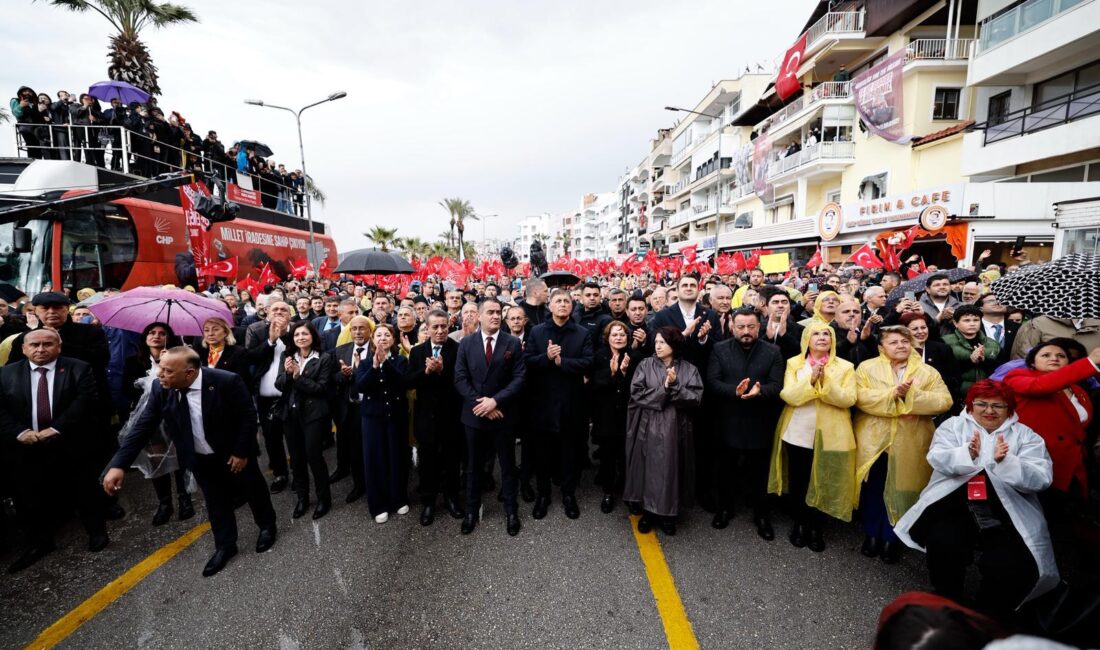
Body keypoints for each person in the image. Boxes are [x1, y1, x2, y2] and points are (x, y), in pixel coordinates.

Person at [105, 347, 277, 577]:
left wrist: (241, 452)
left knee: (253, 489)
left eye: (167, 370)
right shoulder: (161, 388)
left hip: (234, 453)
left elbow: (247, 415)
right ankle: (225, 546)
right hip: (198, 456)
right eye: (160, 368)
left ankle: (266, 526)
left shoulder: (226, 381)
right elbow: (142, 427)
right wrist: (118, 464)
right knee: (216, 501)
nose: (159, 375)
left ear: (189, 373)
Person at [894, 380, 1058, 618]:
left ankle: (986, 611)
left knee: (1006, 563)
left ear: (1009, 409)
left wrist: (1008, 463)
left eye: (998, 406)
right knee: (943, 542)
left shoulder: (1025, 436)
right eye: (982, 404)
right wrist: (967, 454)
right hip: (956, 504)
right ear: (970, 405)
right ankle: (947, 597)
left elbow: (1042, 478)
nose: (989, 411)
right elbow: (937, 458)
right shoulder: (954, 426)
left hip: (1005, 510)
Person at [0, 329, 108, 573]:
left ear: (59, 347)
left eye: (48, 344)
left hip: (70, 443)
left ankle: (97, 533)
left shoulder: (78, 368)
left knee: (84, 490)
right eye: (35, 345)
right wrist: (20, 433)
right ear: (25, 349)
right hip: (26, 446)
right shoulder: (6, 374)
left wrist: (57, 428)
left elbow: (86, 401)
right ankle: (40, 543)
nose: (41, 349)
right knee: (29, 497)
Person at [855, 326, 953, 563]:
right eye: (893, 342)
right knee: (875, 488)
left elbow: (944, 401)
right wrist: (892, 394)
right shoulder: (867, 367)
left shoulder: (927, 372)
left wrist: (909, 397)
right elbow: (860, 397)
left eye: (904, 341)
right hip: (875, 439)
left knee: (904, 488)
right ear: (881, 347)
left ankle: (893, 537)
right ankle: (871, 534)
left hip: (910, 440)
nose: (900, 346)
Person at [767, 322, 857, 552]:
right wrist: (810, 381)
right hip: (799, 431)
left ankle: (816, 526)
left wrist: (825, 383)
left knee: (824, 479)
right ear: (806, 339)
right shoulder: (794, 363)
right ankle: (799, 522)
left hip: (832, 433)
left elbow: (848, 399)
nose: (822, 337)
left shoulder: (845, 367)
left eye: (827, 334)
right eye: (816, 333)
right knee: (800, 480)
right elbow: (789, 395)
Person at [706, 307, 785, 539]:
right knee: (725, 472)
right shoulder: (720, 349)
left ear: (759, 327)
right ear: (732, 327)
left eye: (751, 327)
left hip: (760, 422)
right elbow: (712, 381)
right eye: (741, 327)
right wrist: (736, 392)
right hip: (727, 421)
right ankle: (724, 509)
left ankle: (762, 516)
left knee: (759, 474)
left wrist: (758, 392)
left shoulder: (773, 351)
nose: (746, 331)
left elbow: (777, 385)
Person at [1003, 342, 1100, 524]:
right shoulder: (1017, 376)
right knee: (1045, 523)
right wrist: (1090, 362)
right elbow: (1041, 386)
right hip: (1040, 463)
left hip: (1074, 466)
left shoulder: (1078, 389)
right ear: (1032, 362)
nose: (1054, 358)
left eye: (1061, 356)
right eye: (1046, 355)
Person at [454, 298, 526, 536]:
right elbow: (460, 379)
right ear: (479, 316)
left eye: (498, 312)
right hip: (474, 416)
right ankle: (471, 511)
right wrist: (481, 403)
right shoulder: (466, 343)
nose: (495, 316)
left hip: (502, 415)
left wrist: (495, 401)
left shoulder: (512, 343)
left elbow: (519, 378)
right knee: (473, 467)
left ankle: (511, 511)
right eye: (490, 312)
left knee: (507, 466)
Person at [624, 326, 704, 535]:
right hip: (648, 425)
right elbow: (637, 393)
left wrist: (675, 385)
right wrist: (665, 388)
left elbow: (695, 398)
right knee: (648, 468)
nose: (657, 346)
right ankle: (648, 512)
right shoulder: (645, 364)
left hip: (676, 427)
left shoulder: (688, 369)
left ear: (674, 345)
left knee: (672, 469)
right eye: (656, 342)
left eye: (662, 342)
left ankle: (669, 513)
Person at [524, 288, 594, 520]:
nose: (563, 304)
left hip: (571, 403)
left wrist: (561, 361)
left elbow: (587, 363)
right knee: (543, 454)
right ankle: (543, 495)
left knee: (569, 453)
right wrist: (546, 358)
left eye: (566, 301)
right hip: (542, 404)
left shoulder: (582, 333)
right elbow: (528, 362)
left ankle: (568, 494)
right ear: (550, 306)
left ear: (572, 307)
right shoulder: (536, 332)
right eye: (558, 301)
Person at [121, 322, 193, 527]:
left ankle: (184, 498)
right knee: (156, 459)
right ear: (145, 338)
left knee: (180, 457)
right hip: (149, 418)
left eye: (162, 333)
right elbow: (126, 389)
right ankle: (164, 504)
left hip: (175, 415)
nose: (157, 336)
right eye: (152, 333)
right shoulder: (133, 362)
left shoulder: (178, 358)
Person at [403, 310, 464, 525]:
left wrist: (442, 370)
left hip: (451, 416)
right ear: (427, 329)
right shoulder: (418, 352)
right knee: (427, 462)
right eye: (435, 327)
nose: (440, 331)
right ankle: (428, 502)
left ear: (449, 326)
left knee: (451, 460)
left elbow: (462, 381)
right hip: (426, 418)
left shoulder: (458, 349)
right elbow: (409, 380)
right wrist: (426, 372)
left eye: (444, 326)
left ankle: (452, 498)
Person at [275, 321, 335, 520]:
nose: (301, 337)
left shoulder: (324, 358)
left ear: (313, 336)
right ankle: (302, 498)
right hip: (291, 415)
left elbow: (321, 389)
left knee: (314, 456)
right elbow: (280, 384)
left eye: (305, 334)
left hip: (314, 415)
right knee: (296, 458)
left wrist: (299, 377)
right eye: (297, 334)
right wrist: (288, 375)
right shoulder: (288, 357)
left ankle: (323, 498)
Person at [356, 324, 411, 524]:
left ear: (393, 339)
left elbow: (402, 382)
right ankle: (378, 504)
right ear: (372, 340)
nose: (382, 338)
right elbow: (361, 385)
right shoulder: (364, 362)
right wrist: (374, 366)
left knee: (397, 457)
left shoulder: (401, 360)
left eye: (387, 335)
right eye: (378, 335)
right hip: (372, 418)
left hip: (396, 416)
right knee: (375, 459)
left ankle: (399, 498)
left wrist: (386, 363)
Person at [244, 299, 293, 492]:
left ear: (290, 314)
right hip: (265, 395)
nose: (279, 312)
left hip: (289, 393)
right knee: (272, 438)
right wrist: (271, 340)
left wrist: (285, 334)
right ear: (266, 312)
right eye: (275, 309)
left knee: (293, 436)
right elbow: (251, 356)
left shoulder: (298, 329)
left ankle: (298, 473)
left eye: (284, 309)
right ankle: (280, 473)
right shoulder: (255, 329)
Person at [591, 320, 636, 513]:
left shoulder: (636, 356)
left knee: (627, 456)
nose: (618, 338)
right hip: (606, 415)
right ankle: (608, 492)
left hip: (629, 415)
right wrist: (611, 373)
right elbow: (593, 383)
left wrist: (625, 373)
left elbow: (639, 386)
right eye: (614, 335)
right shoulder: (599, 356)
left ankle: (628, 491)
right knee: (608, 456)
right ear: (607, 338)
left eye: (622, 335)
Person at [900, 312, 961, 408]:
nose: (921, 332)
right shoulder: (898, 351)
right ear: (904, 331)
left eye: (923, 327)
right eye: (915, 329)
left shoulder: (942, 349)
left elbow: (954, 380)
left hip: (937, 404)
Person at [943, 305, 1001, 400]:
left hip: (986, 395)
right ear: (955, 323)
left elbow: (999, 369)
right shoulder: (945, 342)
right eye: (967, 320)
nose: (972, 324)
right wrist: (970, 361)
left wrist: (984, 360)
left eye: (976, 320)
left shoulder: (992, 344)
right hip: (957, 396)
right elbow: (945, 372)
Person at [199, 317, 250, 383]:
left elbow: (242, 380)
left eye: (215, 329)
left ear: (225, 332)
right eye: (206, 330)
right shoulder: (199, 352)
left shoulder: (238, 353)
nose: (210, 334)